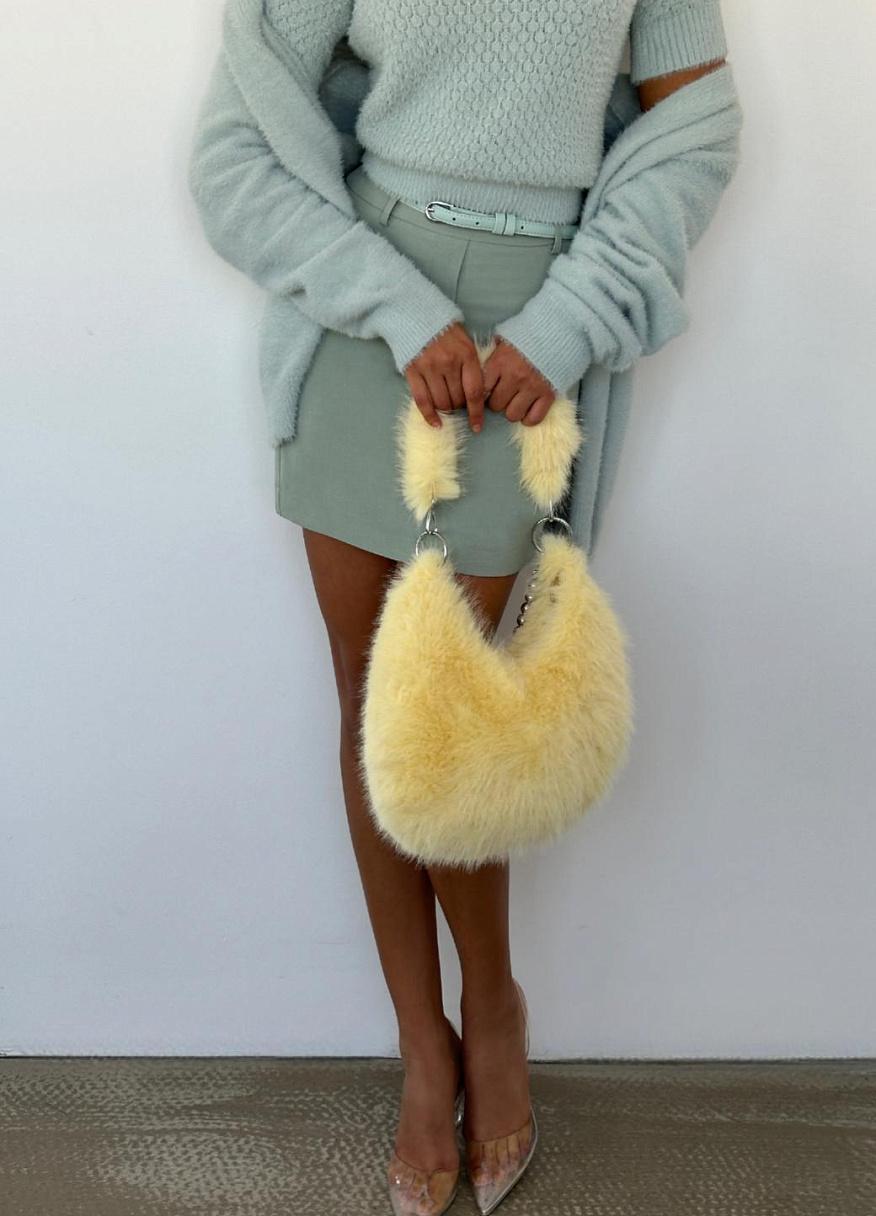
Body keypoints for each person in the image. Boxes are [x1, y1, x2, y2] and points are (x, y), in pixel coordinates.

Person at [190, 3, 734, 1212]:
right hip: (362, 313)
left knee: (451, 717)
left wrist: (567, 321)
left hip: (523, 348)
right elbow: (233, 154)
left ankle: (493, 1007)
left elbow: (696, 127)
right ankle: (421, 1045)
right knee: (367, 706)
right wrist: (391, 302)